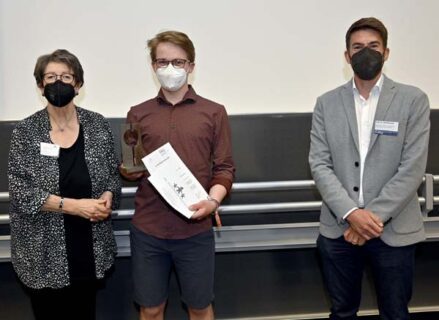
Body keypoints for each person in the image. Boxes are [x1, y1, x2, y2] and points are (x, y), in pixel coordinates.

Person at [309, 17, 430, 319]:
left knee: (395, 313)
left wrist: (370, 220)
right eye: (358, 47)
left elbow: (412, 168)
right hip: (339, 230)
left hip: (394, 230)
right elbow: (319, 163)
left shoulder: (413, 100)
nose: (366, 53)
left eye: (373, 46)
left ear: (386, 52)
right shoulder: (327, 103)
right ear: (347, 56)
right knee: (342, 311)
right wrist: (352, 215)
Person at [120, 31, 235, 320]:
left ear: (191, 66)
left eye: (178, 61)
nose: (170, 68)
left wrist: (213, 201)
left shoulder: (214, 112)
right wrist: (127, 169)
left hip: (195, 230)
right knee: (150, 309)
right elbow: (133, 169)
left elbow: (224, 168)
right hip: (148, 229)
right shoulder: (137, 113)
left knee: (199, 308)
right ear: (153, 67)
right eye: (162, 62)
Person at [8, 49, 121, 320]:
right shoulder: (25, 132)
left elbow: (112, 176)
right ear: (40, 85)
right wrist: (74, 207)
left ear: (78, 84)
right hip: (42, 251)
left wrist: (107, 195)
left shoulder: (97, 125)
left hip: (90, 246)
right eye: (51, 76)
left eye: (66, 76)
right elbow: (21, 191)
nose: (59, 82)